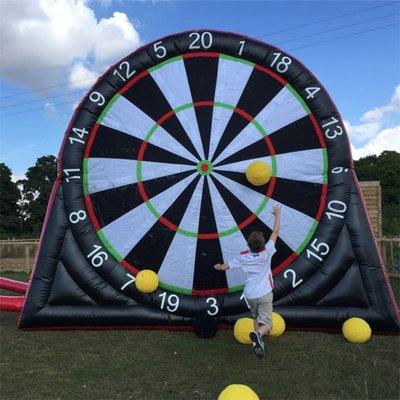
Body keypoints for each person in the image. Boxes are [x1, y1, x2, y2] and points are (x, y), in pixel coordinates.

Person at [213, 204, 281, 358]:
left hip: (250, 294)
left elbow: (224, 267)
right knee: (268, 325)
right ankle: (258, 335)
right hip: (264, 293)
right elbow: (275, 232)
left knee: (256, 317)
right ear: (263, 245)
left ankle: (257, 341)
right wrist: (277, 215)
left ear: (248, 245)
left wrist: (216, 266)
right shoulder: (268, 252)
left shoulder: (243, 257)